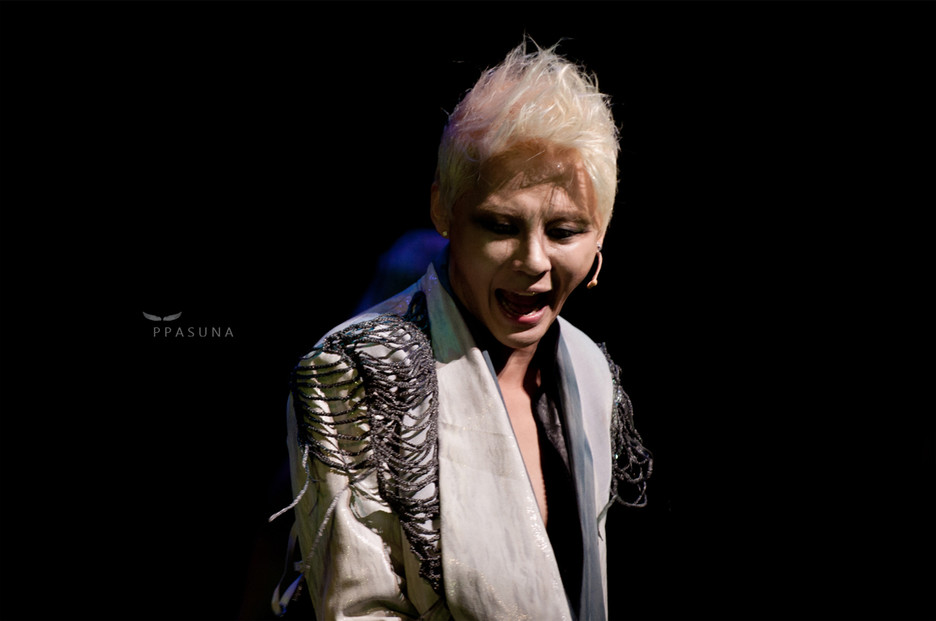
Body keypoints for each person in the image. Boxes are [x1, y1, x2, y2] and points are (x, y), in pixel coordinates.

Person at [271, 40, 652, 620]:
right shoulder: (356, 370)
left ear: (601, 232)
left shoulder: (590, 369)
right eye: (500, 225)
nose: (533, 260)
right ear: (443, 210)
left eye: (565, 231)